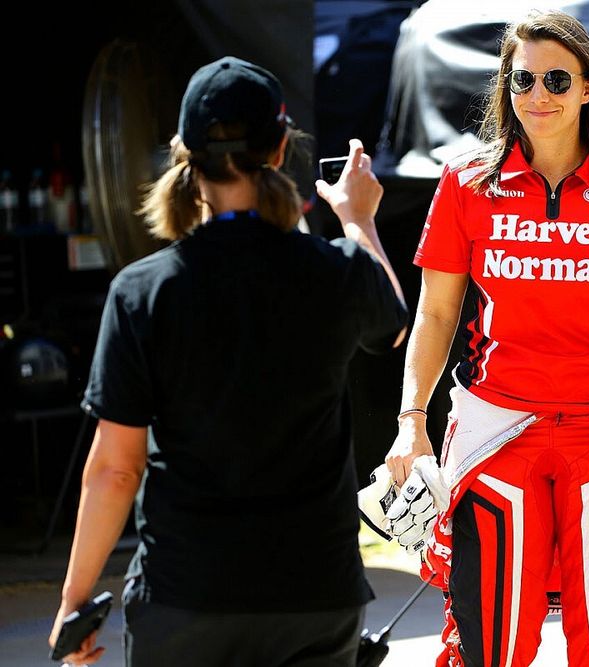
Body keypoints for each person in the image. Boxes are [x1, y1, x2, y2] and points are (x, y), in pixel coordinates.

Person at [48, 56, 408, 666]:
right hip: (314, 595)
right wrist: (356, 218)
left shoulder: (144, 291)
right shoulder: (333, 271)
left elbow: (114, 469)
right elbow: (392, 325)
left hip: (187, 598)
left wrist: (73, 604)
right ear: (279, 148)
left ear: (185, 157)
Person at [383, 9, 589, 667]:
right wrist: (410, 420)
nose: (537, 96)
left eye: (556, 81)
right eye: (522, 80)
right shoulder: (466, 181)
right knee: (494, 647)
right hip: (496, 433)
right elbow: (436, 314)